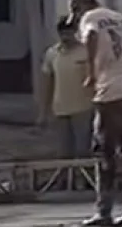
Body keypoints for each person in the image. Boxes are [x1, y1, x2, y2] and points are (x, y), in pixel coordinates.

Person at [70, 0, 122, 227]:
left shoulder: (90, 18)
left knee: (105, 152)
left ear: (79, 7)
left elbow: (92, 36)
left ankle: (103, 212)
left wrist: (91, 75)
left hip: (112, 92)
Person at [38, 16, 94, 159]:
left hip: (83, 108)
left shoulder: (86, 52)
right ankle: (66, 181)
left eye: (69, 33)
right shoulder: (52, 53)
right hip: (61, 109)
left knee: (83, 150)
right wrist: (43, 112)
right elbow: (47, 83)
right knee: (64, 152)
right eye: (63, 33)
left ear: (75, 32)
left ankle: (84, 181)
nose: (66, 37)